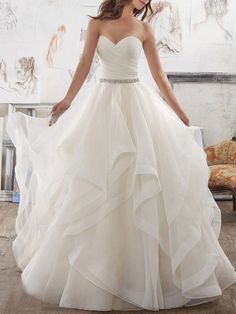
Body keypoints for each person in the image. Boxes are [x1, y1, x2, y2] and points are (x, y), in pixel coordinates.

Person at [6, 0, 236, 311]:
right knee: (97, 183)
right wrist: (67, 100)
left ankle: (140, 273)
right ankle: (99, 271)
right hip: (101, 104)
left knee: (139, 183)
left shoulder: (144, 29)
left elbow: (158, 76)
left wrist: (179, 111)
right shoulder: (96, 24)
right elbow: (85, 64)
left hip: (136, 106)